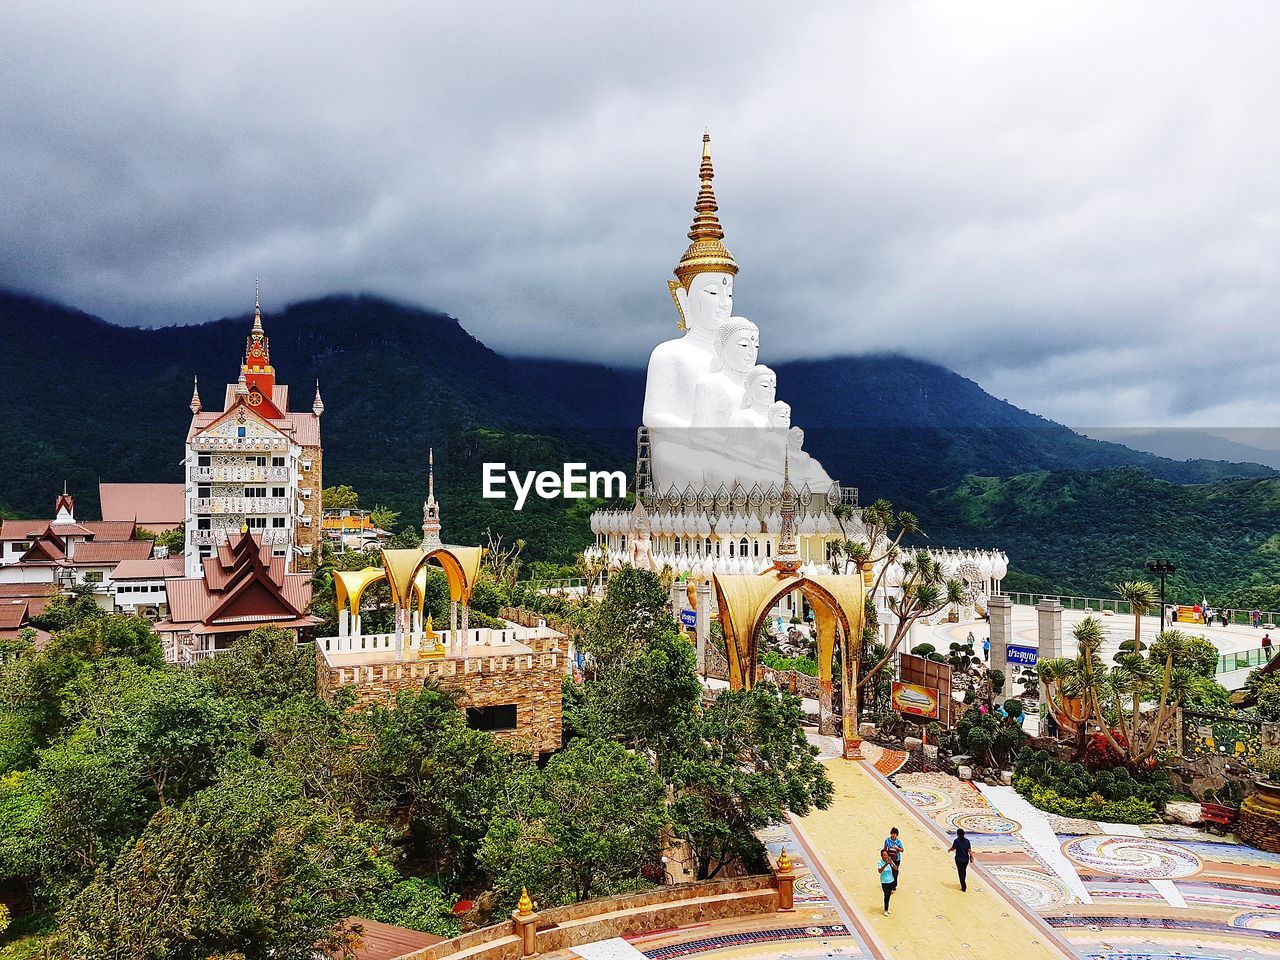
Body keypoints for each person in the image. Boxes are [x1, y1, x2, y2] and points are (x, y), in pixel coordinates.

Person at [877, 847, 898, 915]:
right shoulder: (879, 862)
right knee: (886, 895)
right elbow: (880, 871)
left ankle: (887, 908)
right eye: (884, 855)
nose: (885, 856)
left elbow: (896, 868)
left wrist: (891, 861)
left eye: (886, 855)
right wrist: (886, 864)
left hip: (891, 881)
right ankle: (885, 910)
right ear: (881, 856)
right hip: (884, 882)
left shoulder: (889, 861)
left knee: (889, 895)